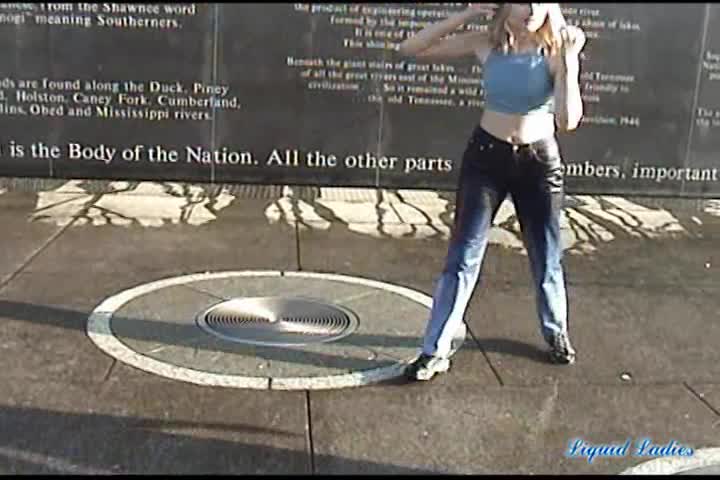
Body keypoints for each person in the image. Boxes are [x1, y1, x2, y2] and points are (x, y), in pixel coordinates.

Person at [398, 3, 587, 381]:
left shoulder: (555, 50)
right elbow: (410, 49)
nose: (531, 8)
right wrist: (467, 13)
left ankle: (556, 331)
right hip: (487, 158)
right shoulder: (486, 42)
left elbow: (568, 121)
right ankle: (434, 351)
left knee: (546, 255)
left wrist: (569, 62)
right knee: (463, 256)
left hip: (538, 162)